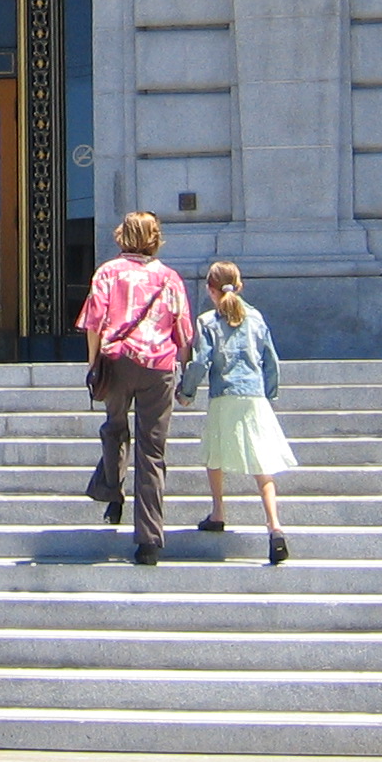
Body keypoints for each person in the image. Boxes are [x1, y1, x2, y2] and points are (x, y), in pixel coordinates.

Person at [77, 211, 195, 565]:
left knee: (115, 428)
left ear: (121, 236)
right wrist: (184, 370)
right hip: (159, 367)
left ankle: (112, 489)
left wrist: (93, 363)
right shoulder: (169, 277)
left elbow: (94, 322)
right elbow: (183, 331)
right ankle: (149, 540)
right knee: (152, 451)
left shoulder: (108, 272)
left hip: (117, 361)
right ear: (155, 238)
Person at [176, 261, 296, 565]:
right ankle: (274, 526)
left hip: (224, 395)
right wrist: (270, 392)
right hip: (254, 396)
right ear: (239, 286)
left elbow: (200, 362)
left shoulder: (207, 321)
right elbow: (271, 359)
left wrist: (186, 392)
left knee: (214, 455)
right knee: (263, 465)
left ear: (210, 290)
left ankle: (218, 511)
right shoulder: (256, 318)